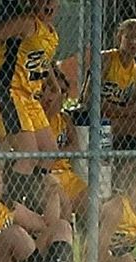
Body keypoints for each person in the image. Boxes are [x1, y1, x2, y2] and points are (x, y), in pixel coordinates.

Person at [0, 0, 60, 204]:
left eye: (53, 2)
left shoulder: (50, 32)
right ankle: (5, 206)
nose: (48, 5)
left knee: (50, 152)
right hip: (8, 90)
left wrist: (53, 84)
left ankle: (29, 201)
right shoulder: (26, 23)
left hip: (30, 96)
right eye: (43, 1)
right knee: (29, 154)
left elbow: (42, 59)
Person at [80, 18, 136, 149]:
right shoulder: (106, 59)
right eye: (128, 37)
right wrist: (123, 110)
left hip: (117, 117)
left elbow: (130, 106)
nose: (133, 42)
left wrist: (135, 110)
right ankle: (126, 160)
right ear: (119, 37)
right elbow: (87, 98)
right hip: (95, 116)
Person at [41, 65, 87, 225]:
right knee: (64, 205)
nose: (50, 96)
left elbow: (76, 147)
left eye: (57, 91)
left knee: (92, 202)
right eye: (47, 90)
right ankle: (64, 244)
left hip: (67, 174)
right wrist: (58, 153)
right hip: (47, 175)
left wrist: (56, 153)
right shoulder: (37, 118)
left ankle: (88, 247)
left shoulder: (64, 119)